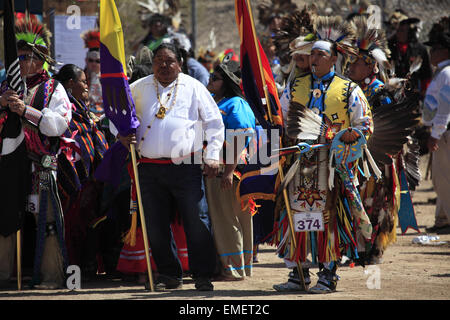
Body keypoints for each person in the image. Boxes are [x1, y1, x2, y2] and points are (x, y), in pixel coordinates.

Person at [273, 15, 373, 294]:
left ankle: (328, 275)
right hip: (299, 165)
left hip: (331, 167)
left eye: (320, 54)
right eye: (312, 54)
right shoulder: (295, 86)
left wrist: (342, 139)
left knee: (326, 217)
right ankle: (297, 273)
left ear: (334, 59)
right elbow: (282, 120)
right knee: (296, 214)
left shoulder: (349, 90)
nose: (314, 59)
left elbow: (365, 125)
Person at [116, 43, 224, 291]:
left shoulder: (194, 87)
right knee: (155, 224)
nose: (163, 66)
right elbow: (117, 116)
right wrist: (121, 134)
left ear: (180, 63)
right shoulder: (138, 87)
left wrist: (213, 156)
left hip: (186, 164)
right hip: (149, 167)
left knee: (197, 219)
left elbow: (215, 123)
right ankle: (169, 274)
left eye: (169, 61)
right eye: (158, 61)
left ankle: (202, 275)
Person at [0, 17, 72, 289]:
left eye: (28, 56)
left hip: (41, 167)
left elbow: (59, 124)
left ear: (41, 59)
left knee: (47, 218)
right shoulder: (4, 88)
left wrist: (25, 111)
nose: (22, 61)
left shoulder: (54, 88)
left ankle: (52, 275)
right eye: (18, 56)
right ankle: (4, 274)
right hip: (8, 166)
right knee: (5, 216)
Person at [346, 16, 397, 264]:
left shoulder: (380, 92)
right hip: (354, 154)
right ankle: (358, 245)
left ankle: (373, 248)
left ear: (370, 66)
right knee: (356, 198)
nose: (350, 67)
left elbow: (389, 127)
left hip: (377, 159)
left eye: (356, 63)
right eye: (350, 62)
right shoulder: (350, 89)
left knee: (376, 201)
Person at [53, 64, 110, 279]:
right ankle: (72, 272)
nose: (87, 86)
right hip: (73, 176)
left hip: (89, 178)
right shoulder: (65, 109)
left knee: (87, 224)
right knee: (73, 226)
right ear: (70, 84)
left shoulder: (81, 108)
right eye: (83, 82)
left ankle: (86, 268)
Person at [205, 57, 256, 280]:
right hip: (225, 168)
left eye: (214, 78)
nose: (210, 81)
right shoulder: (222, 102)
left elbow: (241, 135)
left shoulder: (235, 104)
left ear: (225, 81)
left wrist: (227, 171)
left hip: (228, 170)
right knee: (233, 217)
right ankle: (239, 267)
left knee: (227, 218)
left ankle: (233, 269)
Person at [423, 17, 450, 234]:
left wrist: (435, 133)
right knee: (441, 180)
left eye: (436, 49)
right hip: (442, 133)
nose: (431, 53)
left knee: (444, 180)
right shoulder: (443, 72)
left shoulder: (447, 73)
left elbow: (445, 107)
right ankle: (444, 219)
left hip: (445, 134)